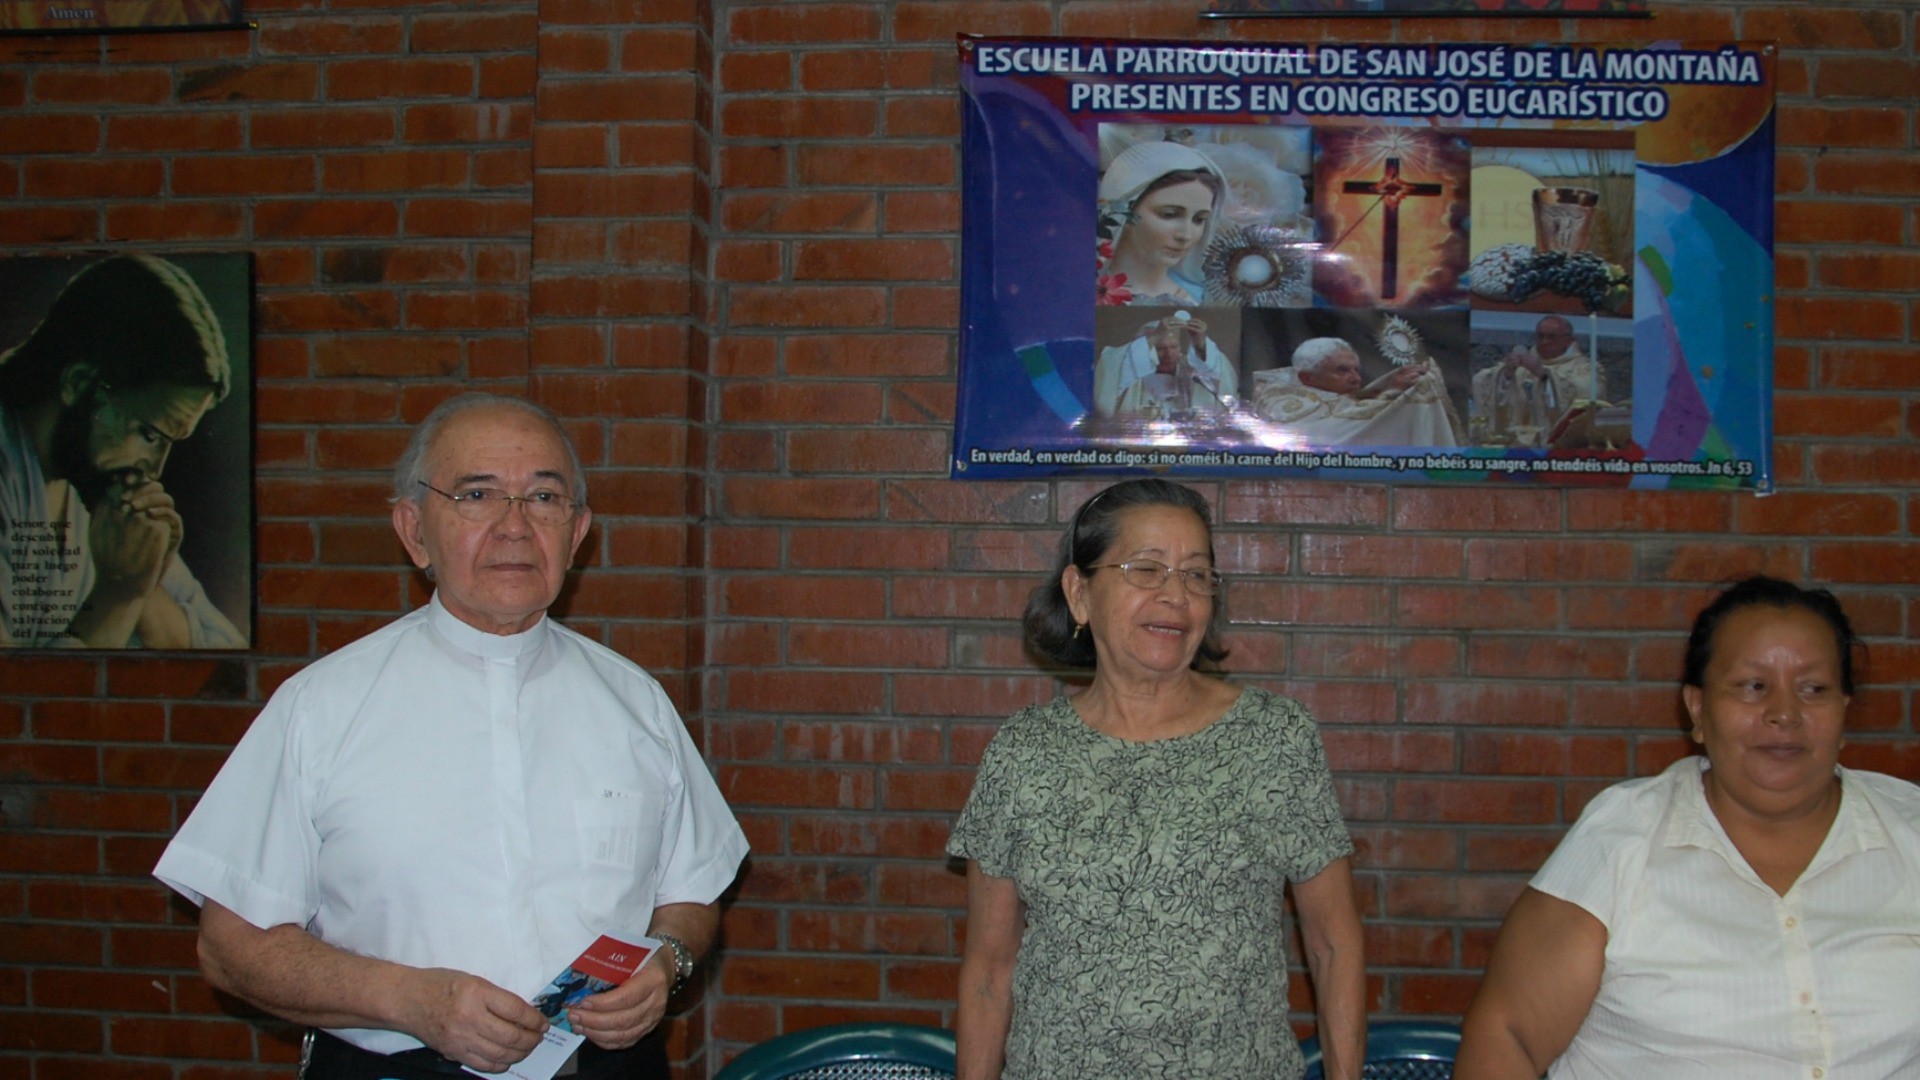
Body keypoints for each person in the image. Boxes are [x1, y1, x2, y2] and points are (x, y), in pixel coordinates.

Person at [153, 393, 749, 1080]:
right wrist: (410, 999)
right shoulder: (321, 708)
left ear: (577, 531)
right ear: (413, 530)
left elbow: (692, 893)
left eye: (544, 498)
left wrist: (667, 961)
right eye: (477, 494)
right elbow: (228, 948)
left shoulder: (636, 702)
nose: (515, 527)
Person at [949, 479, 1366, 1080]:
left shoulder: (1275, 739)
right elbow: (989, 971)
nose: (1176, 595)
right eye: (1147, 570)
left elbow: (1333, 946)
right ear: (1079, 592)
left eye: (1196, 575)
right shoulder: (1023, 754)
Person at [1456, 576, 1920, 1079]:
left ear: (1844, 712)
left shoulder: (1908, 829)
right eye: (1753, 686)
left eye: (1814, 689)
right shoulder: (1624, 836)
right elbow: (1508, 1037)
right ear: (1697, 709)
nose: (1785, 714)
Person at [0, 254, 244, 648]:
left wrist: (141, 584)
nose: (155, 470)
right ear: (79, 384)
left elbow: (223, 647)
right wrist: (120, 592)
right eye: (149, 434)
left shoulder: (98, 483)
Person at [1252, 336, 1460, 447]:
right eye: (1341, 371)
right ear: (1307, 378)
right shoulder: (1278, 402)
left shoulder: (1333, 395)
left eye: (1355, 370)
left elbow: (1350, 405)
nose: (1355, 378)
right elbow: (1337, 424)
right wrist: (1394, 394)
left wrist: (1386, 388)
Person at [1097, 141, 1226, 307]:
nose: (1186, 235)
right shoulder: (1082, 292)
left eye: (1199, 219)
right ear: (1124, 212)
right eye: (1169, 215)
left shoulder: (1203, 300)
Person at [1469, 315, 1603, 443]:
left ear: (1568, 340)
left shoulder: (1584, 367)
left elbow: (1589, 393)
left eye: (1551, 337)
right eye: (1540, 336)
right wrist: (1506, 374)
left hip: (1558, 448)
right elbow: (1483, 380)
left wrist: (1546, 377)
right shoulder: (1524, 363)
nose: (1544, 342)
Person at [1092, 309, 1238, 419]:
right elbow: (1110, 371)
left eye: (1174, 347)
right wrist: (1155, 336)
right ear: (1144, 350)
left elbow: (1222, 382)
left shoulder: (1193, 370)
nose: (1168, 354)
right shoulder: (1129, 371)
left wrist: (1200, 344)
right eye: (1160, 349)